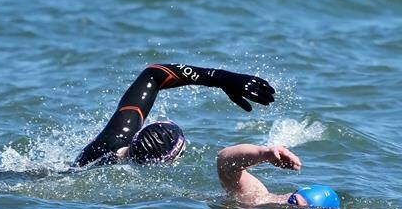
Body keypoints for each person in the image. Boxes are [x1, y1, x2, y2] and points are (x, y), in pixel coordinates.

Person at [74, 62, 275, 168]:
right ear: (166, 162)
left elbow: (153, 74)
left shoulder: (115, 138)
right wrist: (222, 78)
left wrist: (221, 78)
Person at [216, 143, 340, 209]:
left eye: (295, 205)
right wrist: (264, 154)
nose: (286, 203)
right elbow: (224, 161)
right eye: (293, 200)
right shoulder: (258, 197)